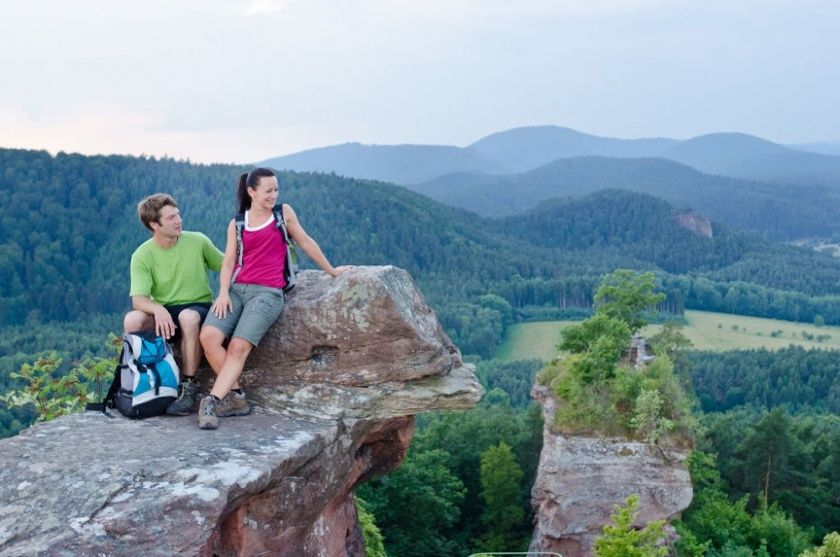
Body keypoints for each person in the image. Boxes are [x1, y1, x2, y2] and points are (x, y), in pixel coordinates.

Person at [198, 168, 351, 430]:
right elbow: (228, 263)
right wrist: (223, 293)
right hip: (236, 289)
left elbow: (304, 241)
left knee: (237, 347)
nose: (274, 195)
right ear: (252, 191)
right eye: (268, 190)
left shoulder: (282, 214)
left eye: (276, 190)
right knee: (209, 337)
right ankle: (236, 398)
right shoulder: (237, 223)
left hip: (268, 292)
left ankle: (212, 400)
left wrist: (332, 270)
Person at [125, 193, 224, 416]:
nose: (179, 220)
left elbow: (227, 264)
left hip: (197, 306)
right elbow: (138, 300)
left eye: (178, 215)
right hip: (166, 313)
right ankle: (143, 379)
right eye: (171, 218)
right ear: (154, 224)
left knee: (187, 317)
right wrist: (158, 308)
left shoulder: (197, 241)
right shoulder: (142, 255)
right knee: (132, 319)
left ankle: (188, 386)